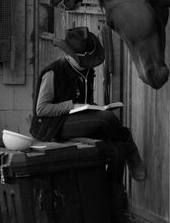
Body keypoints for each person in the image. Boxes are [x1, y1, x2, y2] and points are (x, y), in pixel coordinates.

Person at [29, 27, 146, 222]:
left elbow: (86, 102)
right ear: (69, 54)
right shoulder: (53, 71)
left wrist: (94, 108)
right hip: (53, 127)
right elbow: (41, 109)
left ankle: (115, 212)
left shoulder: (87, 71)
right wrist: (72, 106)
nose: (88, 65)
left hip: (77, 120)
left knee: (116, 150)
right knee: (108, 120)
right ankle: (128, 140)